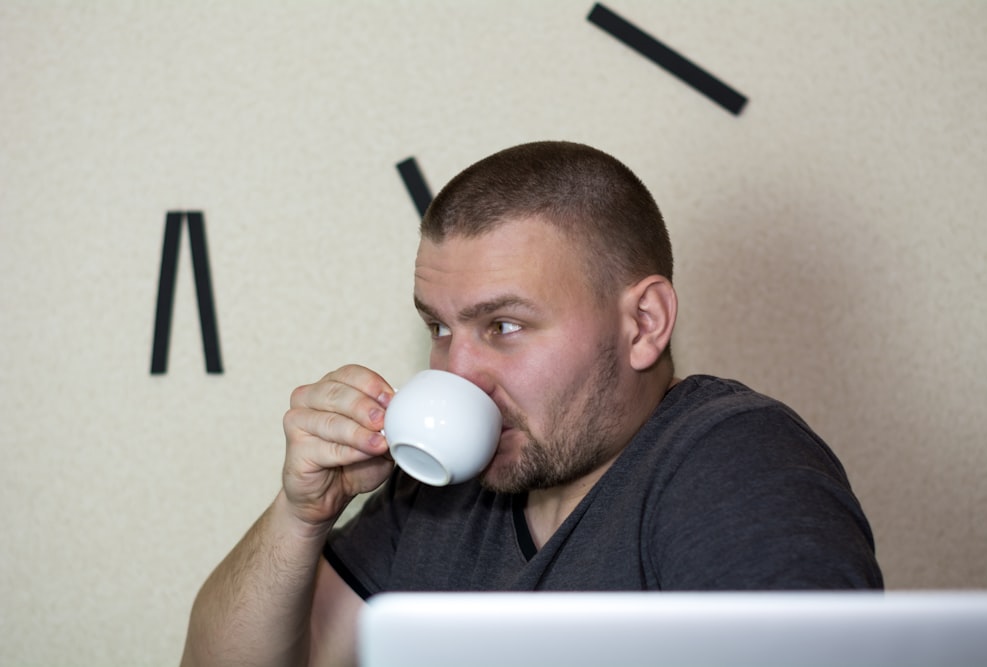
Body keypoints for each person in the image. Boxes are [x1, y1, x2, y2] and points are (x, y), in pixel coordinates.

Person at [180, 141, 883, 667]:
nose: (459, 373)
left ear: (643, 324)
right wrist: (301, 514)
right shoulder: (437, 497)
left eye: (504, 326)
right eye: (440, 328)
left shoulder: (732, 462)